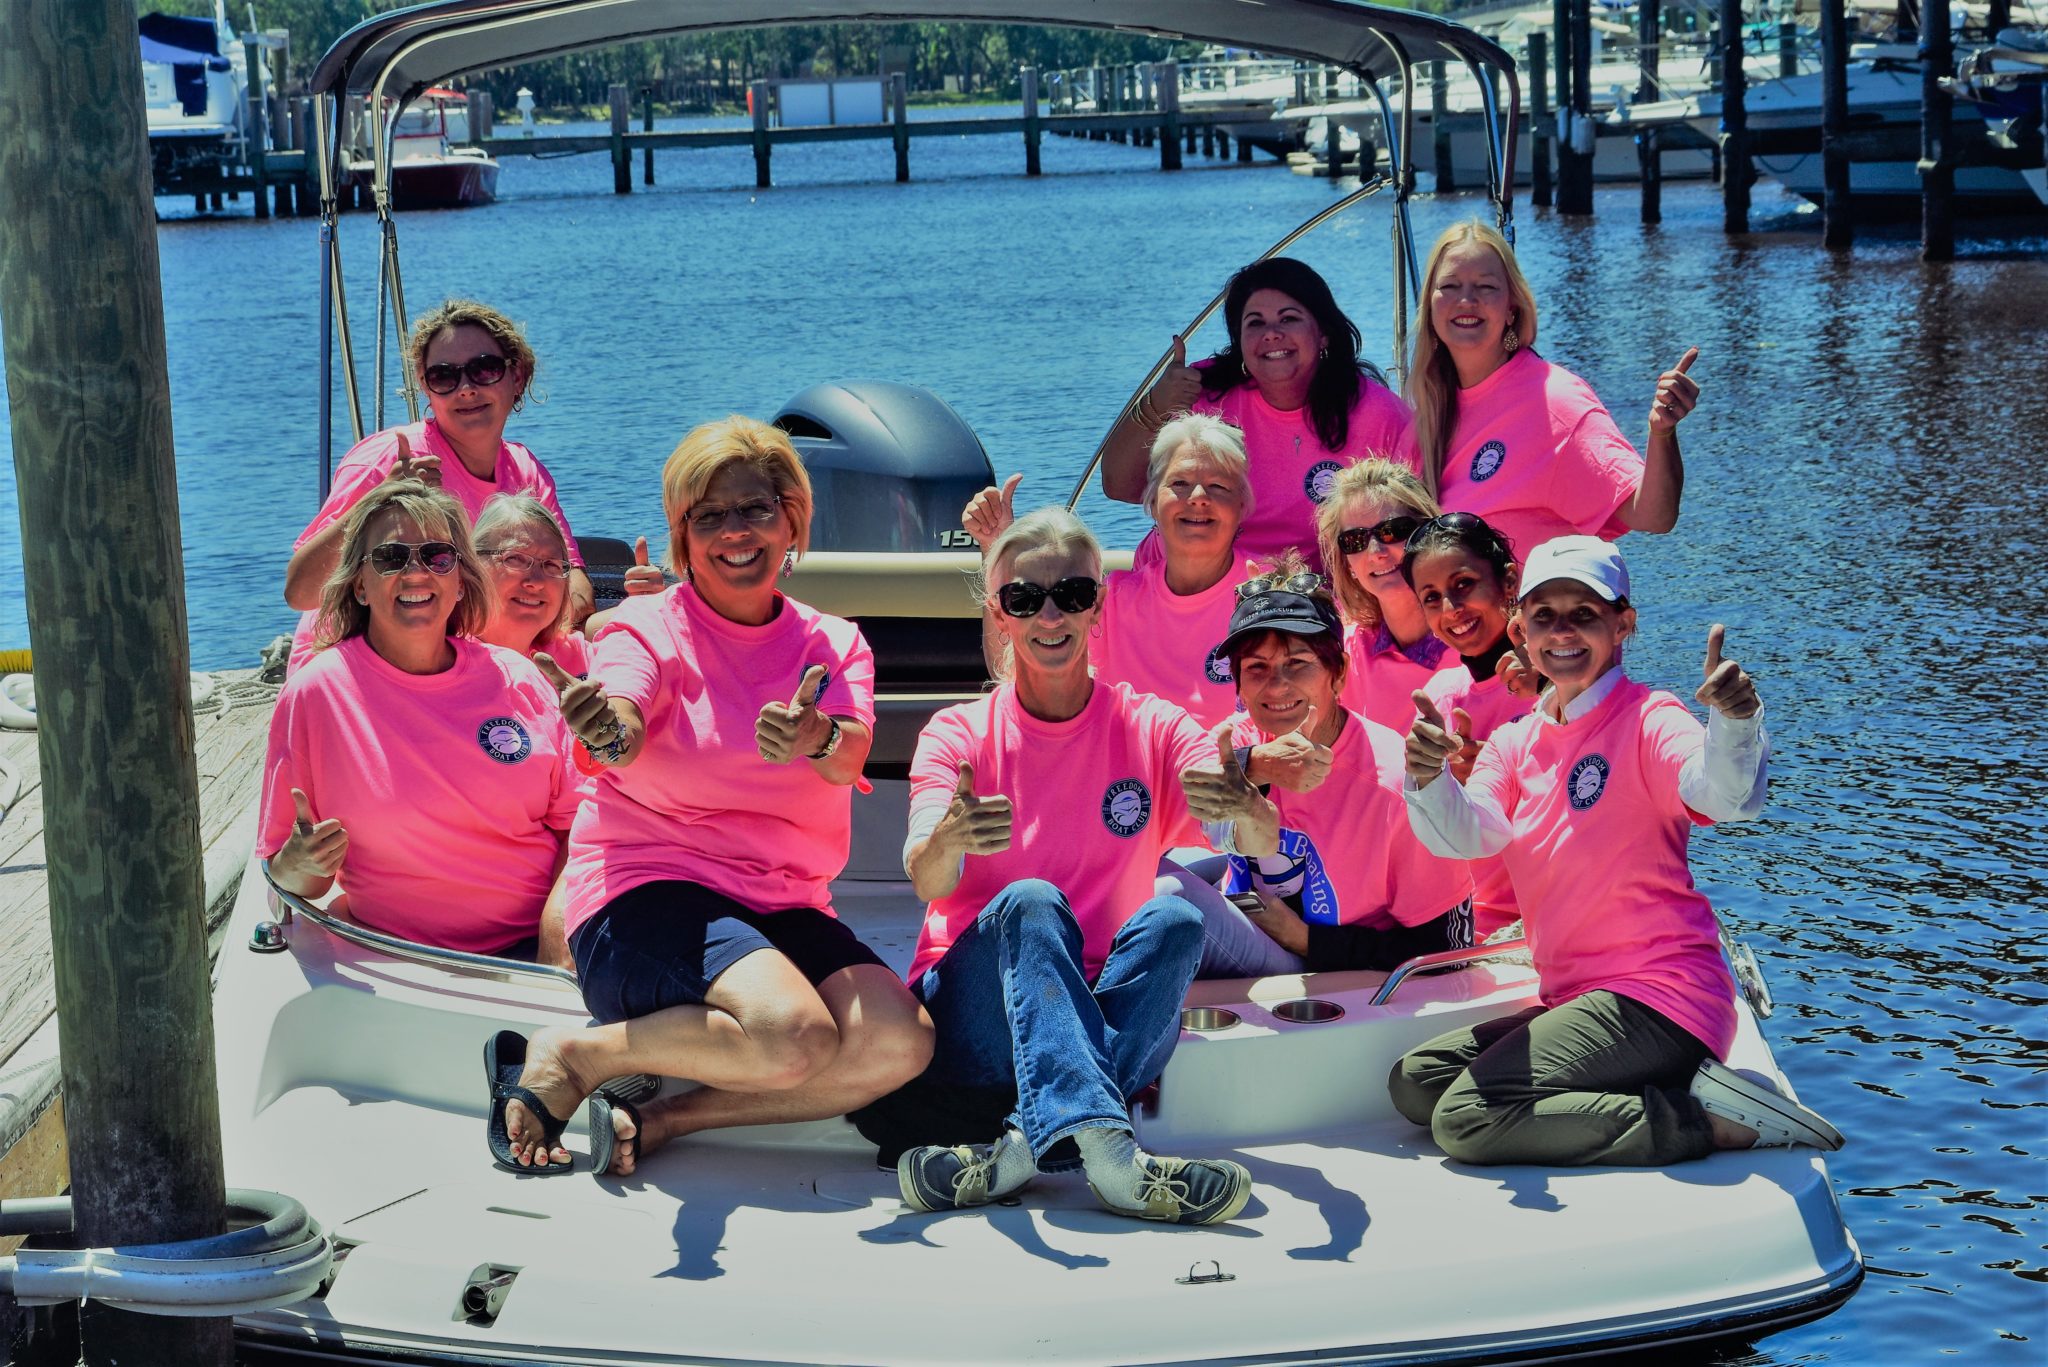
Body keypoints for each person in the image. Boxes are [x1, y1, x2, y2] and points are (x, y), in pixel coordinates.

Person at [488, 416, 932, 1177]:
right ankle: (574, 1054)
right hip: (646, 898)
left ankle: (666, 1120)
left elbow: (851, 748)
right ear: (682, 535)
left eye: (755, 508)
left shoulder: (834, 641)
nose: (735, 531)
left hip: (784, 903)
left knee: (904, 1039)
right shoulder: (641, 629)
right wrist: (606, 729)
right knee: (792, 1033)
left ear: (791, 518)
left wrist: (815, 736)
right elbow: (621, 718)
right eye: (709, 515)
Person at [1392, 537, 1844, 1166]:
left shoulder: (1650, 717)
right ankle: (1657, 1086)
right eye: (1545, 617)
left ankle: (1703, 1121)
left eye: (1585, 613)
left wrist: (1737, 724)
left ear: (1623, 623)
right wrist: (1428, 777)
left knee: (1468, 1120)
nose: (1563, 632)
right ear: (1520, 630)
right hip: (1577, 999)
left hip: (1665, 996)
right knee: (1416, 1083)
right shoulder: (1512, 742)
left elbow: (1723, 797)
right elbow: (1470, 835)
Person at [891, 507, 1271, 1224]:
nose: (1050, 614)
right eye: (1024, 598)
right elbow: (926, 877)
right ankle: (1113, 1158)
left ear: (1098, 603)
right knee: (1032, 902)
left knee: (1179, 918)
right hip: (981, 1016)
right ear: (999, 613)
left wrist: (1244, 804)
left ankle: (1015, 1154)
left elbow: (1239, 832)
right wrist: (948, 837)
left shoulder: (1153, 725)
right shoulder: (957, 733)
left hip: (1098, 1004)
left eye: (1071, 593)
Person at [258, 480, 579, 966]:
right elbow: (289, 881)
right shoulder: (315, 694)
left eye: (438, 557)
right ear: (360, 585)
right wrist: (299, 863)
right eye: (390, 558)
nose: (416, 573)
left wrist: (553, 952)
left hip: (533, 959)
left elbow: (577, 829)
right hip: (392, 961)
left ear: (460, 580)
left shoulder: (520, 677)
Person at [1176, 556, 1474, 978]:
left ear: (1338, 674)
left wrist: (1308, 941)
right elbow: (1162, 795)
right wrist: (1255, 766)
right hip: (1248, 931)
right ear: (1238, 684)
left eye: (1298, 664)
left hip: (1332, 976)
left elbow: (1450, 946)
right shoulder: (1237, 743)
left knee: (1174, 899)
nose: (1277, 685)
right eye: (1257, 668)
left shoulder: (1394, 786)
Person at [282, 299, 593, 671]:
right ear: (426, 388)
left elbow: (575, 585)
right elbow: (300, 592)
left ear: (518, 376)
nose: (465, 389)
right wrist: (380, 501)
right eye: (444, 376)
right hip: (363, 668)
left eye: (484, 369)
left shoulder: (525, 470)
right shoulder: (389, 459)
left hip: (482, 657)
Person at [1402, 221, 1701, 561]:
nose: (1466, 300)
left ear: (1512, 308)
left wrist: (1661, 433)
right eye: (1450, 286)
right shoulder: (1424, 417)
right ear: (1429, 306)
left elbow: (1654, 515)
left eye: (1485, 287)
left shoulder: (1554, 402)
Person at [1101, 258, 1413, 567]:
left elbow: (1413, 521)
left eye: (1288, 318)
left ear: (1323, 333)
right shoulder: (1198, 392)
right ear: (1239, 340)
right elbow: (1119, 486)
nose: (1272, 333)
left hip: (1308, 599)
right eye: (1255, 322)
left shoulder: (1378, 413)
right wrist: (1156, 403)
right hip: (1186, 586)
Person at [963, 413, 1258, 728]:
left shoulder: (1269, 590)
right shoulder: (1109, 600)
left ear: (1242, 504)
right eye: (1180, 484)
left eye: (1217, 486)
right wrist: (994, 547)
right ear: (1153, 501)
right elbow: (1014, 675)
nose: (1199, 498)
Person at [1404, 512, 1537, 939]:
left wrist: (1502, 772)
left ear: (1509, 581)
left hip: (1554, 913)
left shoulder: (1564, 675)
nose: (1451, 609)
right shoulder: (1441, 694)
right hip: (1468, 927)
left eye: (1463, 585)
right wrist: (1443, 785)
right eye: (1431, 597)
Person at [1317, 458, 1456, 732]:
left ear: (1428, 533)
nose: (1375, 551)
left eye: (1391, 531)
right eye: (1355, 540)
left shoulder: (1476, 638)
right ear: (1347, 563)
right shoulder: (1341, 652)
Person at [472, 493, 589, 673]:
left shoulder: (577, 655)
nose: (535, 582)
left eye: (551, 564)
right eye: (515, 559)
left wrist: (644, 595)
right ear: (474, 565)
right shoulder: (439, 660)